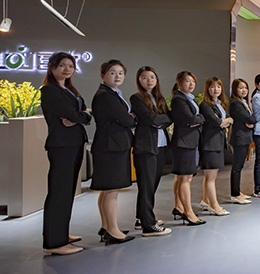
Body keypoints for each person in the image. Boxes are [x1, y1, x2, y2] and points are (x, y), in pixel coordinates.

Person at [40, 52, 92, 256]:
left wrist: (82, 116)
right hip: (61, 146)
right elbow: (74, 114)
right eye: (62, 65)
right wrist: (80, 116)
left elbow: (85, 114)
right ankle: (54, 242)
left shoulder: (70, 90)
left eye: (70, 66)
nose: (67, 69)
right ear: (52, 67)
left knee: (67, 192)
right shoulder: (49, 91)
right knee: (59, 192)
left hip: (74, 143)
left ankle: (61, 234)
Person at [90, 59, 137, 244]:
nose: (117, 76)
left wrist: (128, 117)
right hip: (111, 146)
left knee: (107, 190)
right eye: (112, 72)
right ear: (103, 75)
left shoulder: (111, 93)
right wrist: (132, 117)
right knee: (111, 191)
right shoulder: (106, 95)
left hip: (110, 145)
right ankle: (113, 230)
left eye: (120, 73)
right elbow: (126, 120)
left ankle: (106, 227)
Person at [130, 66, 172, 236]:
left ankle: (141, 218)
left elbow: (169, 118)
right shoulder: (136, 98)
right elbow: (149, 119)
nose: (149, 80)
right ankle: (149, 225)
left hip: (160, 145)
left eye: (152, 77)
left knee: (152, 184)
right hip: (146, 147)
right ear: (139, 80)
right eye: (144, 77)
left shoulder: (159, 98)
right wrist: (159, 120)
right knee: (146, 185)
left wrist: (158, 120)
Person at [170, 71, 207, 226]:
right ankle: (188, 213)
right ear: (179, 83)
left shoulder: (187, 98)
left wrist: (197, 120)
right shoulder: (179, 99)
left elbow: (194, 120)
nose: (191, 84)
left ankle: (179, 207)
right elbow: (191, 119)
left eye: (193, 81)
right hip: (184, 142)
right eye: (187, 81)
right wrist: (200, 119)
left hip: (187, 141)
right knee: (185, 178)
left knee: (182, 177)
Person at [199, 77, 233, 215]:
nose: (216, 89)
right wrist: (225, 121)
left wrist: (223, 121)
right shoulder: (205, 105)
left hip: (218, 142)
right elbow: (216, 122)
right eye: (212, 86)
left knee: (210, 176)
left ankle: (205, 201)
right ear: (207, 89)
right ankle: (215, 206)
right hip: (210, 144)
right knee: (211, 177)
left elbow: (224, 122)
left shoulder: (220, 104)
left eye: (218, 86)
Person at [228, 78, 256, 204]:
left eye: (245, 87)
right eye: (240, 88)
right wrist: (251, 121)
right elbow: (250, 118)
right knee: (237, 166)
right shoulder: (235, 103)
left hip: (244, 137)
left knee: (240, 166)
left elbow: (251, 118)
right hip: (239, 138)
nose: (244, 90)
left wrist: (251, 121)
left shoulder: (243, 102)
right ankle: (235, 194)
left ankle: (238, 192)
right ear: (235, 89)